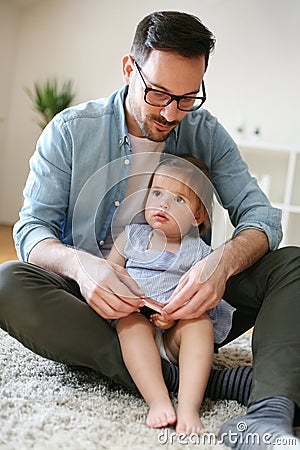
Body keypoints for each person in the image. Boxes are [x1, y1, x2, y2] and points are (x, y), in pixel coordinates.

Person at [0, 10, 299, 448]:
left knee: (292, 263)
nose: (171, 111)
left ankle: (269, 412)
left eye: (187, 97)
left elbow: (262, 218)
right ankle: (203, 382)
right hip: (99, 308)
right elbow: (31, 232)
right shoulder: (69, 131)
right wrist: (83, 268)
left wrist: (220, 264)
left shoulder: (204, 133)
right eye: (158, 92)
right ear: (129, 69)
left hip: (189, 308)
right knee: (8, 283)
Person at [107, 155, 235, 434]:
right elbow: (110, 274)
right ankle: (158, 400)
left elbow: (203, 295)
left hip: (174, 335)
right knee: (131, 324)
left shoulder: (199, 252)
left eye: (179, 199)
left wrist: (177, 313)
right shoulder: (131, 237)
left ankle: (189, 406)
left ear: (197, 216)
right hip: (136, 321)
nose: (164, 203)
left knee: (199, 324)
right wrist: (131, 297)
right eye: (157, 192)